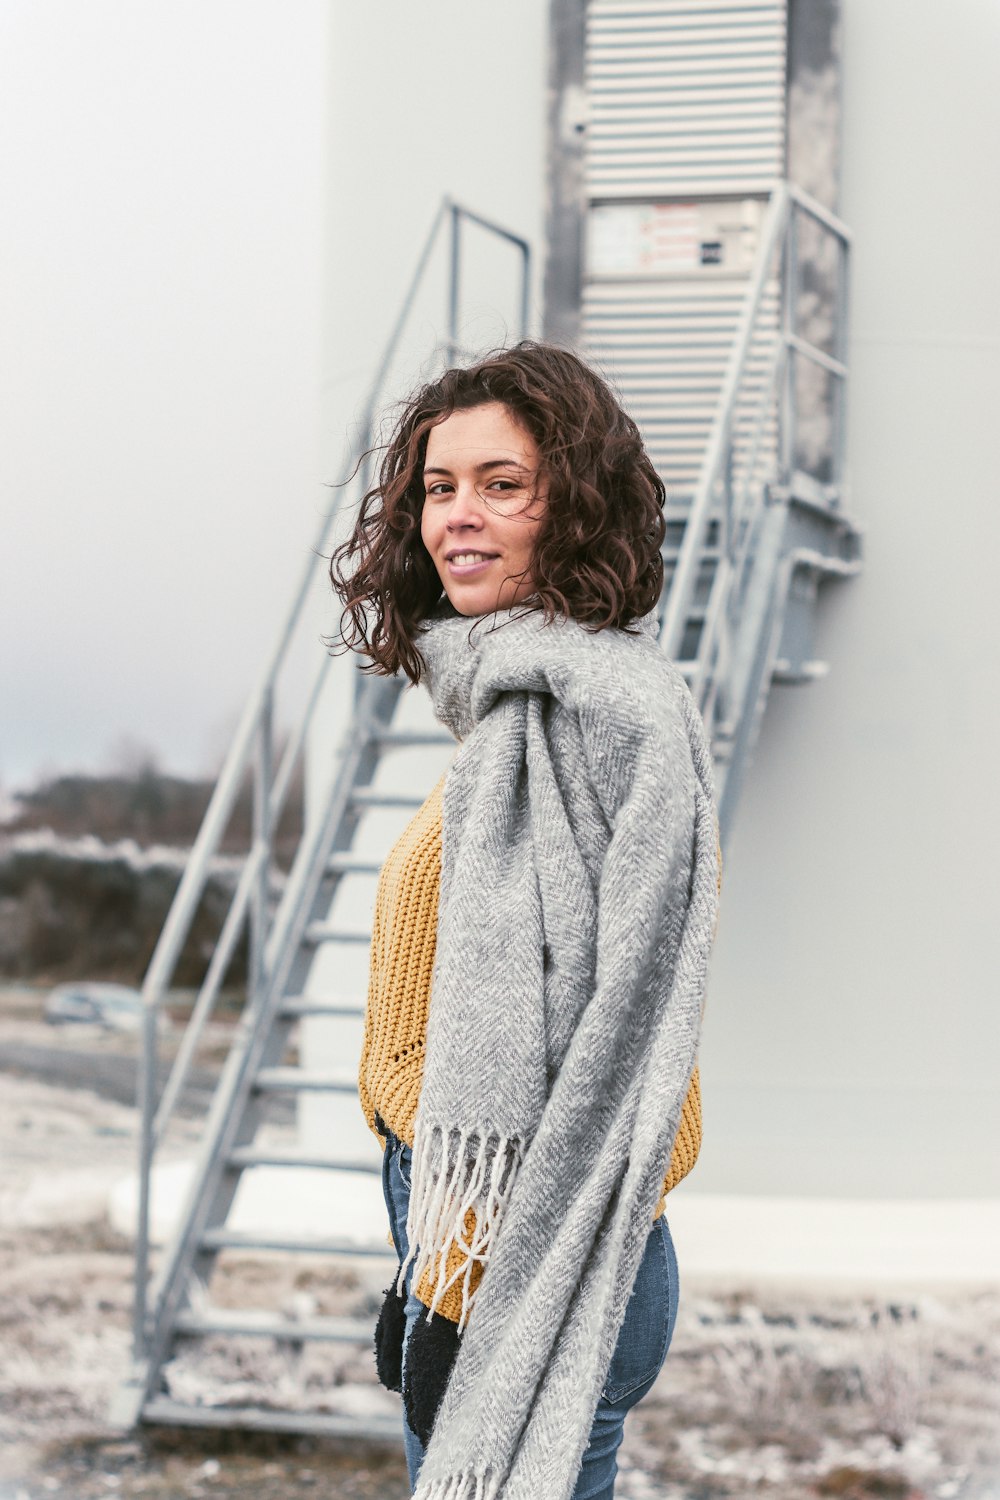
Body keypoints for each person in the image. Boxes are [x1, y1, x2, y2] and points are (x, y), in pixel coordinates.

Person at [329, 341, 722, 1500]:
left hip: (537, 1249)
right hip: (464, 1223)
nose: (459, 514)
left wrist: (465, 1282)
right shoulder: (512, 712)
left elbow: (639, 1017)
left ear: (575, 504)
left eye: (502, 484)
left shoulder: (611, 716)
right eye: (438, 487)